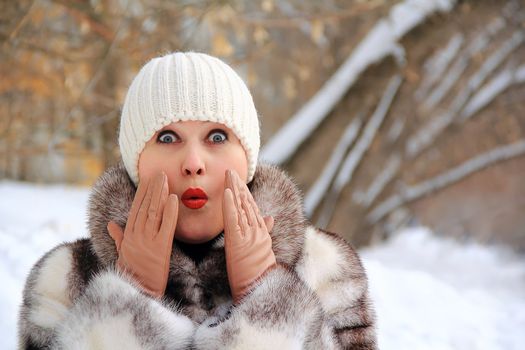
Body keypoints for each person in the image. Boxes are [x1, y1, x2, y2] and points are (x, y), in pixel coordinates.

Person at [17, 52, 377, 349]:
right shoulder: (65, 279)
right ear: (135, 161)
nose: (193, 164)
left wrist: (268, 301)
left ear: (247, 157)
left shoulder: (324, 270)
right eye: (167, 137)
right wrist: (128, 298)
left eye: (217, 136)